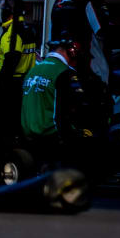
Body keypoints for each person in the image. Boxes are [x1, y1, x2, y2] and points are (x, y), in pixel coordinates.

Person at [19, 33, 106, 181]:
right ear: (71, 51)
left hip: (30, 137)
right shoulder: (64, 73)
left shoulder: (33, 71)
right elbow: (72, 110)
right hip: (53, 138)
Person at [0, 0, 36, 151]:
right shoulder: (27, 29)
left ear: (8, 12)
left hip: (10, 88)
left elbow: (11, 59)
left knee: (4, 128)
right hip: (23, 85)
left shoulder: (12, 32)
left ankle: (4, 158)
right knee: (18, 126)